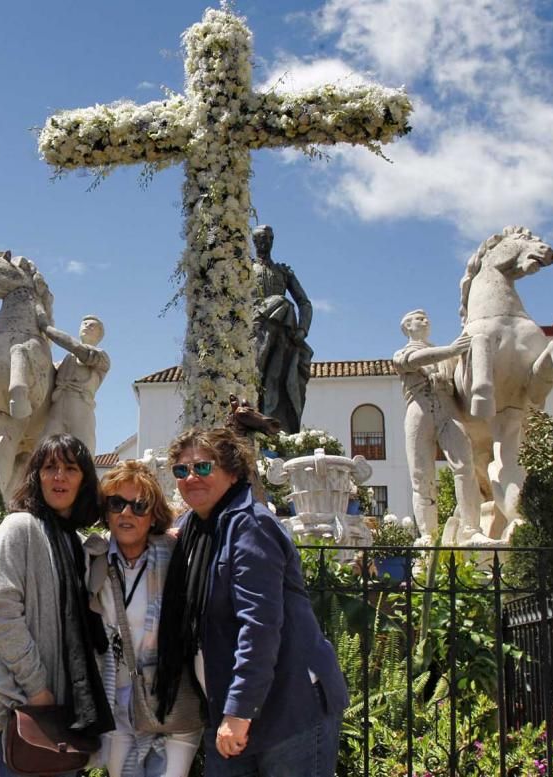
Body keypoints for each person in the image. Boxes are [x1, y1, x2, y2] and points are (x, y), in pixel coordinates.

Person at [154, 427, 347, 777]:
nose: (191, 477)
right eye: (182, 470)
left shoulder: (250, 527)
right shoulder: (197, 529)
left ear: (233, 471)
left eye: (203, 467)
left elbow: (258, 626)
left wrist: (239, 712)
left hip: (286, 710)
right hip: (229, 711)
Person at [0, 433, 114, 776]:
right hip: (20, 716)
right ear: (37, 476)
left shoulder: (76, 545)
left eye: (70, 468)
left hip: (64, 722)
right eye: (50, 467)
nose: (59, 476)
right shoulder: (20, 528)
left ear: (84, 480)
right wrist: (37, 691)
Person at [85, 461, 202, 777]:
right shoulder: (91, 560)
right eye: (117, 503)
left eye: (139, 506)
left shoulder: (176, 555)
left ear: (153, 516)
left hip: (173, 701)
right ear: (106, 510)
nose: (127, 513)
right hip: (119, 704)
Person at [393, 309, 484, 545]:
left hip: (448, 409)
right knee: (421, 476)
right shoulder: (402, 354)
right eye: (417, 318)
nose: (424, 320)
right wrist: (452, 350)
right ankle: (427, 536)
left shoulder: (448, 357)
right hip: (419, 411)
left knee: (465, 466)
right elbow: (415, 361)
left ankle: (470, 529)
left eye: (425, 318)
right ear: (407, 327)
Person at [251, 225, 314, 434]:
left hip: (284, 336)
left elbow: (304, 302)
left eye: (268, 238)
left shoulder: (283, 272)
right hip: (256, 332)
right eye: (260, 238)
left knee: (276, 380)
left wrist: (302, 330)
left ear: (273, 241)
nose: (264, 242)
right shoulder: (245, 269)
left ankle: (275, 427)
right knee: (255, 378)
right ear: (253, 242)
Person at [39, 314, 111, 455]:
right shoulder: (66, 359)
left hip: (80, 405)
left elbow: (76, 347)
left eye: (92, 326)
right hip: (57, 406)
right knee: (43, 448)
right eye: (84, 324)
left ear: (100, 335)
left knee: (82, 450)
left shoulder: (101, 356)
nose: (87, 327)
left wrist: (46, 329)